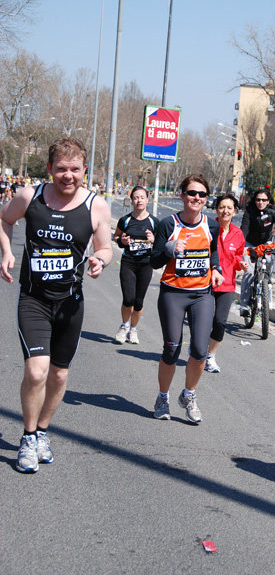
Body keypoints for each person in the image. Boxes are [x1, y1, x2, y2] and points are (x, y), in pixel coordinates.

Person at [0, 138, 112, 473]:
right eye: (61, 169)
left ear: (84, 170)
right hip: (33, 299)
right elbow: (4, 221)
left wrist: (100, 260)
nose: (68, 175)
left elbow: (106, 247)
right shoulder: (29, 196)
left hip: (70, 304)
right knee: (36, 371)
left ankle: (43, 431)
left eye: (74, 169)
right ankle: (28, 436)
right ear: (50, 169)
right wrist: (6, 251)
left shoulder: (97, 206)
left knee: (59, 375)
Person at [150, 175, 224, 423]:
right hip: (173, 292)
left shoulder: (211, 225)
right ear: (182, 195)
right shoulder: (167, 224)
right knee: (171, 348)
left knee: (200, 351)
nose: (197, 198)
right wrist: (170, 248)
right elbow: (155, 260)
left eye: (202, 195)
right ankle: (162, 397)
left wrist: (217, 270)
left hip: (202, 294)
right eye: (192, 193)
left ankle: (189, 395)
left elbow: (213, 253)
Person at [204, 193, 248, 373]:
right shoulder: (208, 227)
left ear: (235, 211)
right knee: (203, 321)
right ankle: (199, 348)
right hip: (205, 281)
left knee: (220, 322)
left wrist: (241, 263)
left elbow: (237, 256)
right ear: (216, 209)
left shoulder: (238, 234)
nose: (225, 211)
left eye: (229, 208)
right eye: (222, 207)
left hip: (227, 283)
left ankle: (210, 356)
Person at [113, 185, 159, 344]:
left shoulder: (154, 222)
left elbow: (160, 244)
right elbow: (116, 237)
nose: (139, 200)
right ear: (131, 200)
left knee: (138, 302)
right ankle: (124, 326)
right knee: (128, 299)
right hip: (129, 263)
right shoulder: (125, 220)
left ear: (147, 199)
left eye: (142, 197)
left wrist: (154, 240)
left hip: (146, 265)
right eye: (136, 197)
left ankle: (133, 329)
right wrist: (122, 241)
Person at [240, 188, 275, 316]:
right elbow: (244, 228)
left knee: (268, 262)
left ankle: (266, 285)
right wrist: (241, 245)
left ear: (268, 201)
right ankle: (245, 305)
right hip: (250, 243)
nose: (260, 202)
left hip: (265, 243)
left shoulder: (272, 213)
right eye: (258, 200)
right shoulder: (249, 211)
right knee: (249, 272)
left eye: (264, 200)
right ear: (254, 200)